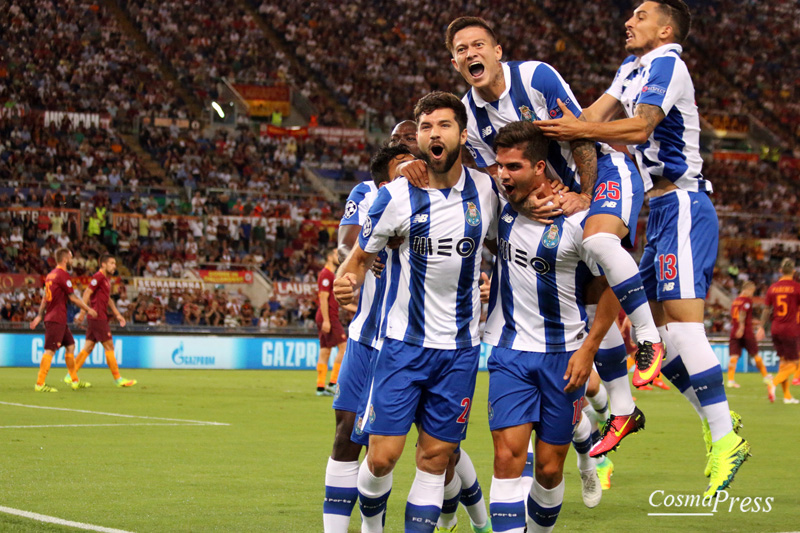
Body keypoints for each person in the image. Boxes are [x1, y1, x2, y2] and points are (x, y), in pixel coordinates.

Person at [535, 0, 748, 497]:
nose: (628, 21)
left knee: (683, 327)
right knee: (632, 325)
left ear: (666, 27)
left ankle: (723, 436)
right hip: (658, 211)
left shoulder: (668, 62)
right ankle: (681, 418)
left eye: (640, 15)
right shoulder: (631, 68)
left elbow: (639, 127)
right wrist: (543, 137)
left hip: (684, 203)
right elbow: (588, 118)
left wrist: (579, 130)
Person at [443, 16, 664, 390]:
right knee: (591, 303)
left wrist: (586, 194)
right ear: (455, 63)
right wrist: (526, 207)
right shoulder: (471, 117)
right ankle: (621, 409)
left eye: (478, 45)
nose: (470, 53)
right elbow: (503, 177)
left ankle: (646, 335)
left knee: (600, 242)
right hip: (554, 198)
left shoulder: (535, 78)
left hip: (604, 171)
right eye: (461, 50)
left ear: (497, 52)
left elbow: (579, 135)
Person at [333, 92, 498, 532]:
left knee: (434, 459)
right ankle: (371, 524)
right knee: (382, 459)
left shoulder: (487, 191)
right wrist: (346, 283)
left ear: (462, 134)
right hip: (403, 346)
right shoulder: (395, 197)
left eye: (443, 125)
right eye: (425, 127)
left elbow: (507, 245)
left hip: (461, 350)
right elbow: (358, 259)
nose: (433, 134)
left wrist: (492, 282)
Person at [482, 121, 620, 531]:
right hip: (509, 353)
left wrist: (589, 349)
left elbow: (615, 286)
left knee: (546, 469)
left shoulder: (579, 222)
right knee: (507, 458)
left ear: (540, 167)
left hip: (565, 357)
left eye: (512, 167)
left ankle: (583, 456)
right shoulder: (499, 206)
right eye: (499, 167)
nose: (502, 175)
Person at [323, 143, 415, 533]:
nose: (413, 158)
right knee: (346, 433)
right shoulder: (367, 192)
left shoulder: (441, 197)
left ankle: (462, 514)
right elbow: (346, 241)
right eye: (403, 148)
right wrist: (365, 249)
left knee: (404, 449)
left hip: (410, 341)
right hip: (364, 335)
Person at [29, 248, 97, 392]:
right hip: (56, 319)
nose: (72, 261)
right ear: (65, 259)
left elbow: (44, 298)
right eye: (71, 258)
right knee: (50, 350)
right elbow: (72, 298)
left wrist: (40, 315)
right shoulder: (62, 275)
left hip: (57, 318)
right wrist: (88, 309)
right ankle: (40, 384)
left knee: (70, 345)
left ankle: (74, 381)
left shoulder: (50, 275)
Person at [69, 254, 137, 387]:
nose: (114, 266)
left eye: (115, 263)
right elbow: (86, 293)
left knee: (88, 347)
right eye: (112, 263)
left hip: (98, 317)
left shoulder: (106, 279)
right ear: (103, 264)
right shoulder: (98, 276)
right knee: (109, 346)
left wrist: (117, 314)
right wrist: (83, 312)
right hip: (97, 317)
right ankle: (118, 379)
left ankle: (70, 375)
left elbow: (108, 299)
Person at [762, 258, 800, 404]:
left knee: (784, 362)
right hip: (790, 329)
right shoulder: (796, 288)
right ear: (794, 271)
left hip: (775, 328)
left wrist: (760, 327)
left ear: (780, 271)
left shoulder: (772, 288)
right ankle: (774, 382)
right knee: (795, 364)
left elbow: (766, 309)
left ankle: (787, 396)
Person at [316, 248, 348, 397]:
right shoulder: (327, 274)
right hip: (328, 316)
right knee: (344, 347)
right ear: (329, 257)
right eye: (336, 254)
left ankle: (320, 387)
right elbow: (323, 298)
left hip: (326, 316)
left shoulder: (329, 274)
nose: (338, 256)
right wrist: (327, 320)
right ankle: (333, 383)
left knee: (325, 350)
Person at [727, 281, 770, 388]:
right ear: (747, 289)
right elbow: (743, 313)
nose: (752, 294)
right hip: (745, 331)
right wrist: (742, 327)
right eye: (752, 291)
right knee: (755, 354)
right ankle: (766, 376)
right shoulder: (746, 301)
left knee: (734, 356)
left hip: (734, 330)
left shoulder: (735, 301)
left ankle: (730, 380)